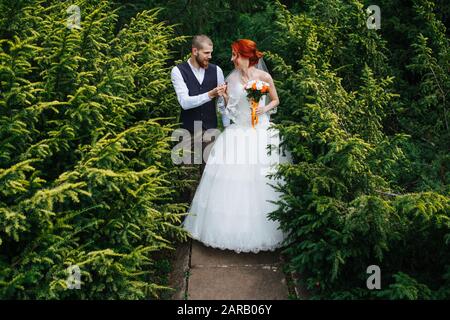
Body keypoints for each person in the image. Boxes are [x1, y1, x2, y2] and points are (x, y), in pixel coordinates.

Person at [182, 39, 292, 253]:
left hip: (261, 131)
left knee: (264, 179)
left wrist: (264, 109)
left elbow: (276, 100)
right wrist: (223, 98)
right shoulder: (231, 79)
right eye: (232, 55)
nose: (232, 59)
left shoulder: (264, 77)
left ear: (246, 56)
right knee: (233, 182)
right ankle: (231, 232)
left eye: (235, 55)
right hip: (239, 131)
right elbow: (230, 112)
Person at [171, 35, 229, 176]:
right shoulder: (178, 71)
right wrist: (210, 95)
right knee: (187, 178)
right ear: (195, 51)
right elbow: (184, 102)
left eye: (211, 53)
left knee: (209, 177)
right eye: (206, 53)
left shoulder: (217, 71)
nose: (209, 56)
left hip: (210, 132)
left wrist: (227, 127)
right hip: (188, 133)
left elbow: (221, 103)